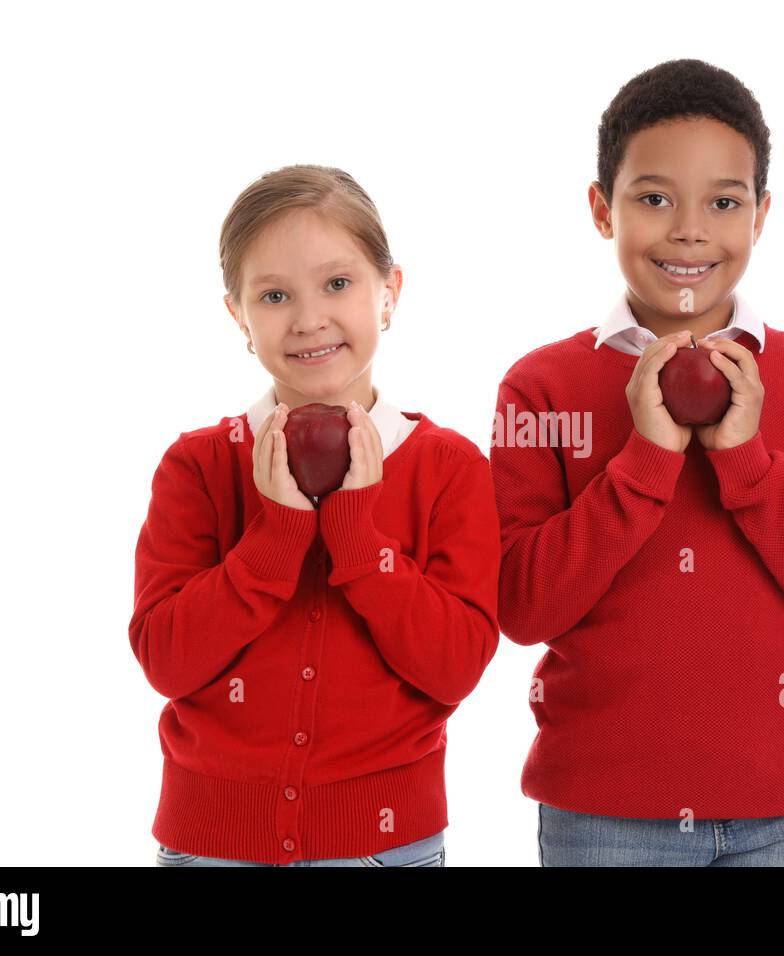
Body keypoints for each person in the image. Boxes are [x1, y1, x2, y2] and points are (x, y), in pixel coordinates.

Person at [489, 59, 784, 866]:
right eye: (653, 198)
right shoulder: (540, 387)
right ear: (602, 210)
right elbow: (519, 606)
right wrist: (645, 460)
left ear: (761, 215)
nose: (690, 229)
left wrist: (746, 464)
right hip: (603, 810)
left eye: (723, 201)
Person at [131, 164, 501, 866]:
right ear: (239, 316)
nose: (308, 319)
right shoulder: (198, 467)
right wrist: (273, 538)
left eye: (338, 284)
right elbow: (167, 660)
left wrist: (359, 542)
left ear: (388, 292)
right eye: (274, 295)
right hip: (212, 845)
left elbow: (454, 667)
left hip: (386, 846)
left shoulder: (449, 468)